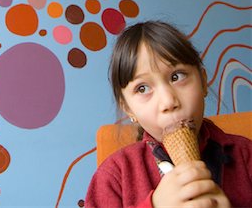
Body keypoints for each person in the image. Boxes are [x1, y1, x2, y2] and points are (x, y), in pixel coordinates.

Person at [85, 20, 252, 208]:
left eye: (176, 76)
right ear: (129, 109)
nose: (168, 102)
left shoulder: (246, 155)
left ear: (203, 82)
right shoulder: (115, 175)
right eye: (142, 88)